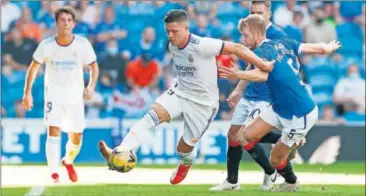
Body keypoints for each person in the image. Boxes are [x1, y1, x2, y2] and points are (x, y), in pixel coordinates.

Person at [98, 9, 274, 185]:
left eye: (174, 31)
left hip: (203, 104)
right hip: (180, 92)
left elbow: (237, 48)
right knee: (150, 117)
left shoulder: (202, 45)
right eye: (168, 31)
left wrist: (262, 65)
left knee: (184, 149)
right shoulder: (172, 45)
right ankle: (121, 151)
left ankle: (186, 163)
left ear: (186, 28)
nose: (170, 35)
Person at [218, 14, 341, 192]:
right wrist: (327, 48)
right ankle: (292, 142)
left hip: (300, 113)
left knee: (275, 159)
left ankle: (291, 181)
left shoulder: (262, 52)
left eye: (245, 35)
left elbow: (262, 75)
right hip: (278, 108)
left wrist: (237, 75)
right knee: (245, 136)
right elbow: (314, 49)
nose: (243, 40)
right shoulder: (284, 43)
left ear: (256, 33)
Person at [210, 1, 288, 191]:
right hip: (251, 93)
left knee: (246, 136)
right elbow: (253, 65)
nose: (256, 15)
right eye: (253, 12)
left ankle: (287, 140)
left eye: (260, 12)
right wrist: (238, 89)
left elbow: (280, 69)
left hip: (267, 95)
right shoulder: (251, 31)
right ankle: (232, 181)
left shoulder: (278, 36)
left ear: (269, 13)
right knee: (233, 136)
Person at [22, 6, 99, 183]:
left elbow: (93, 66)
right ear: (56, 23)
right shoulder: (46, 45)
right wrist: (27, 93)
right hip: (54, 96)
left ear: (74, 24)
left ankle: (68, 160)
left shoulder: (82, 44)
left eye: (69, 20)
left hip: (75, 98)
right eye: (62, 20)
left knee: (76, 136)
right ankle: (54, 172)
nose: (66, 23)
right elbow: (33, 68)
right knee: (53, 130)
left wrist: (91, 86)